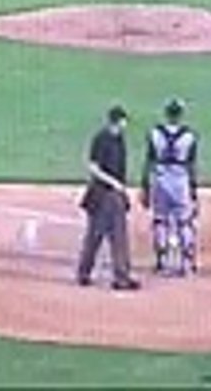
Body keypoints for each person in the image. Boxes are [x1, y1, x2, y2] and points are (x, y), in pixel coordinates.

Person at [76, 105, 142, 290]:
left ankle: (121, 277)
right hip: (101, 194)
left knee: (119, 236)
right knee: (94, 236)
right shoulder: (102, 139)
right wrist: (113, 183)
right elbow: (93, 168)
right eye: (124, 121)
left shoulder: (119, 139)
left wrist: (120, 189)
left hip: (115, 194)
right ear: (118, 121)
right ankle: (84, 273)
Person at [140, 98, 200, 276]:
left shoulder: (154, 134)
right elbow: (191, 165)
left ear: (166, 114)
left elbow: (148, 162)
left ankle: (162, 261)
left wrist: (145, 186)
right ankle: (187, 263)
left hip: (160, 180)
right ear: (180, 114)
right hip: (180, 181)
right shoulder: (189, 136)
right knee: (185, 221)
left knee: (160, 220)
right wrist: (193, 191)